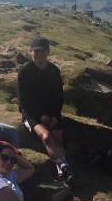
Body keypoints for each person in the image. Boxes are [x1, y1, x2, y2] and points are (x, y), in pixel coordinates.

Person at [17, 36, 72, 183]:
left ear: (48, 52)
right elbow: (24, 100)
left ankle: (62, 170)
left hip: (51, 111)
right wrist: (41, 117)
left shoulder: (53, 70)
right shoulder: (25, 71)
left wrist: (54, 114)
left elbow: (58, 95)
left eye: (43, 51)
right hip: (31, 113)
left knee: (58, 136)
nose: (40, 54)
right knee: (47, 136)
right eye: (36, 51)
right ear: (31, 52)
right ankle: (65, 167)